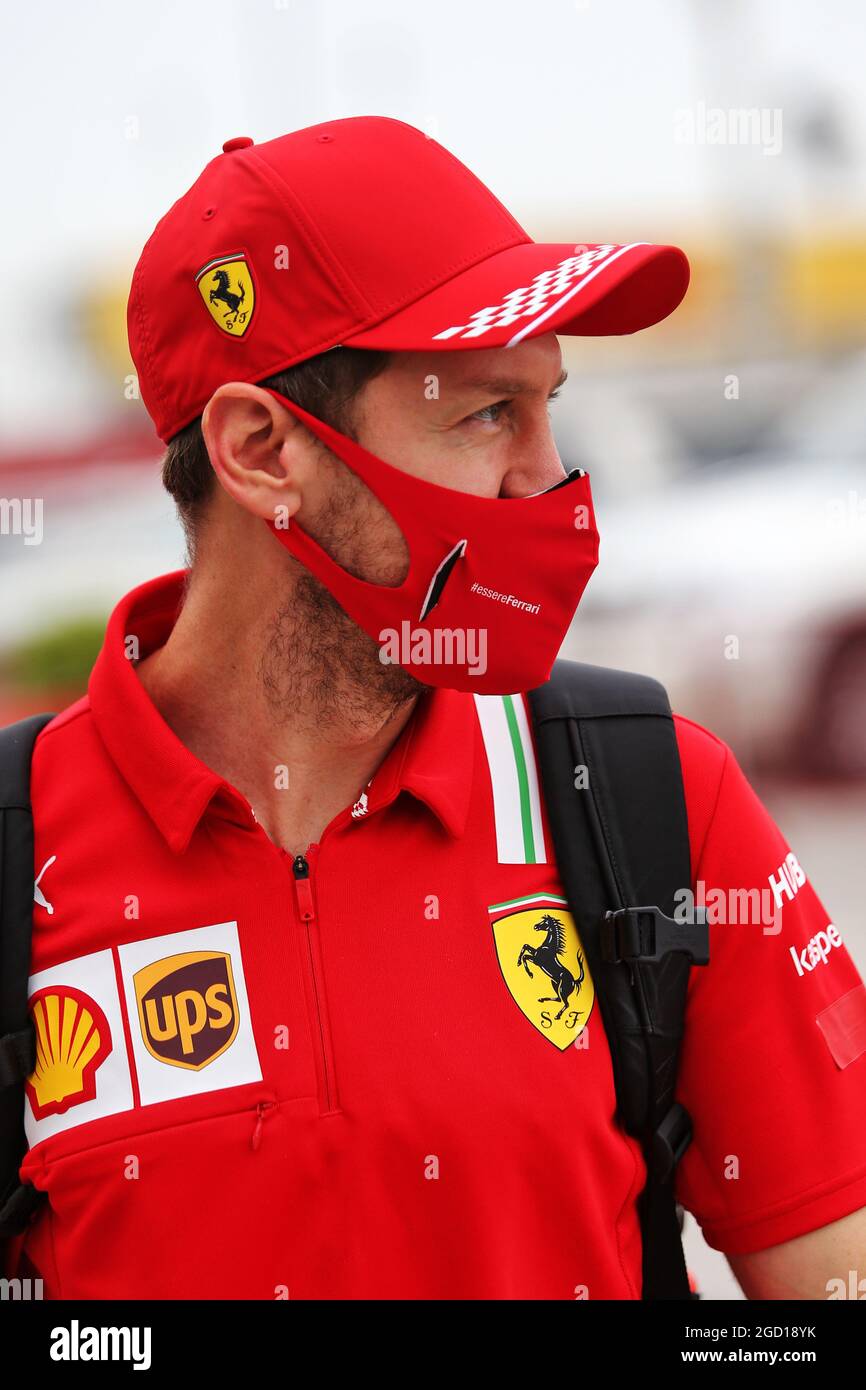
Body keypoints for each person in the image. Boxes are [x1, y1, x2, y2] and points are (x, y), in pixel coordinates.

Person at [9, 117, 866, 1300]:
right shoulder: (18, 851)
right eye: (485, 414)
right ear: (261, 451)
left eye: (548, 405)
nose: (548, 478)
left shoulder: (651, 798)